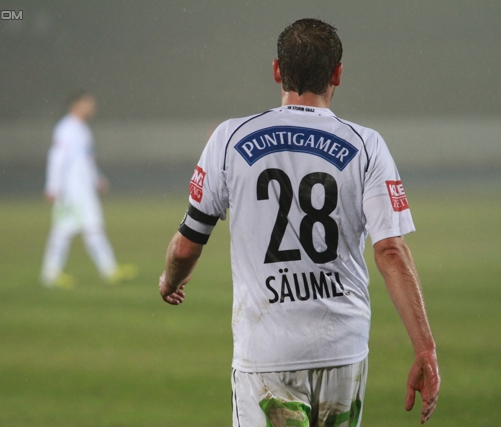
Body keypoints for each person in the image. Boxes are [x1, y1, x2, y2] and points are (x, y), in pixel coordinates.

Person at [158, 18, 440, 426]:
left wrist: (170, 280)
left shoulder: (229, 139)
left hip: (267, 353)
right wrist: (425, 350)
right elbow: (391, 251)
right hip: (343, 349)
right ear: (337, 75)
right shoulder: (367, 145)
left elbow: (187, 245)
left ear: (277, 70)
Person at [41, 91, 136, 288]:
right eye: (88, 103)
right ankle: (50, 274)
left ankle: (109, 270)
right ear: (76, 105)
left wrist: (97, 179)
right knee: (64, 231)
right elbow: (57, 158)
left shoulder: (81, 129)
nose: (92, 107)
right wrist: (53, 186)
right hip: (71, 192)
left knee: (92, 228)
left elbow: (85, 161)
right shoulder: (66, 129)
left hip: (83, 191)